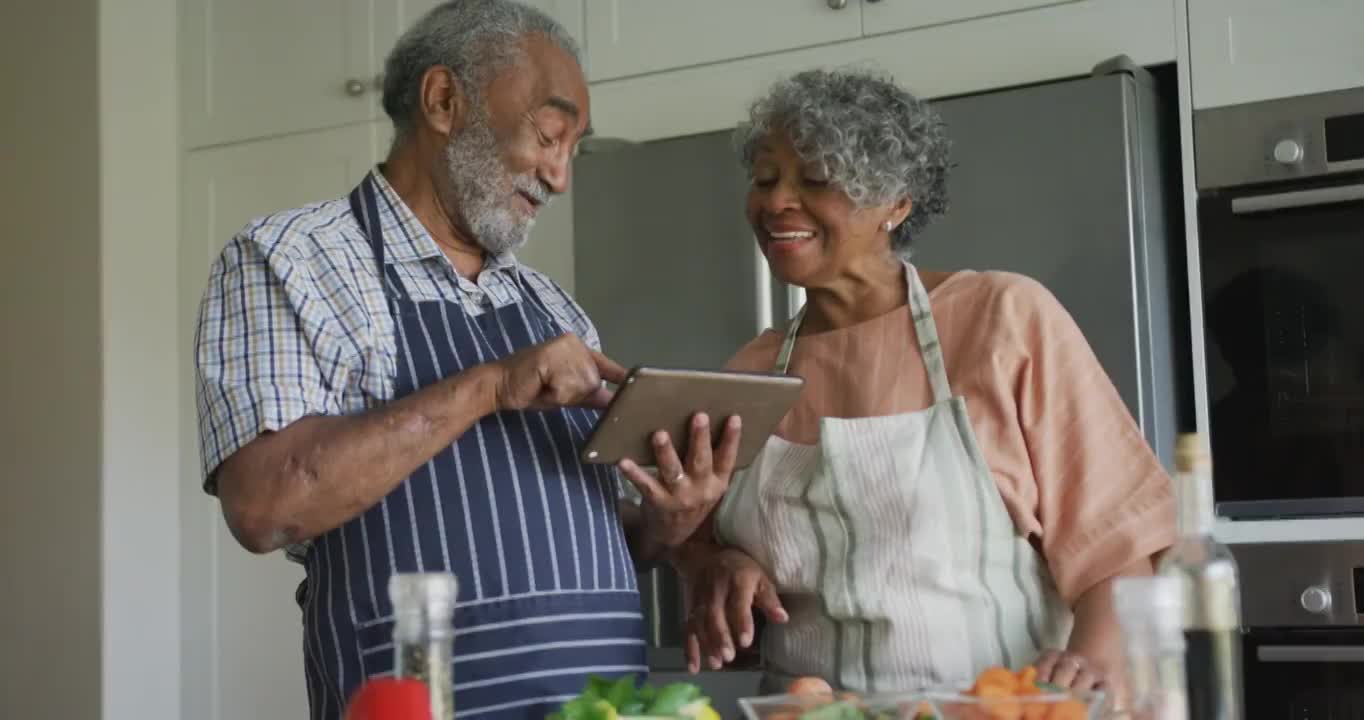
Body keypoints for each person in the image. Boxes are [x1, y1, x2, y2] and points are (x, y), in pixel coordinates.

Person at [193, 2, 740, 718]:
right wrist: (489, 385)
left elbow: (576, 544)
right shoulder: (291, 259)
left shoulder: (552, 307)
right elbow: (265, 507)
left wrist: (665, 529)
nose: (560, 176)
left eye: (574, 149)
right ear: (444, 102)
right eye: (549, 135)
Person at [672, 68, 1176, 697]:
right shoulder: (748, 372)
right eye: (766, 178)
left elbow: (1115, 545)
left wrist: (1090, 672)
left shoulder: (1001, 318)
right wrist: (721, 562)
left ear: (897, 202)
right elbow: (691, 539)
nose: (777, 202)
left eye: (817, 180)